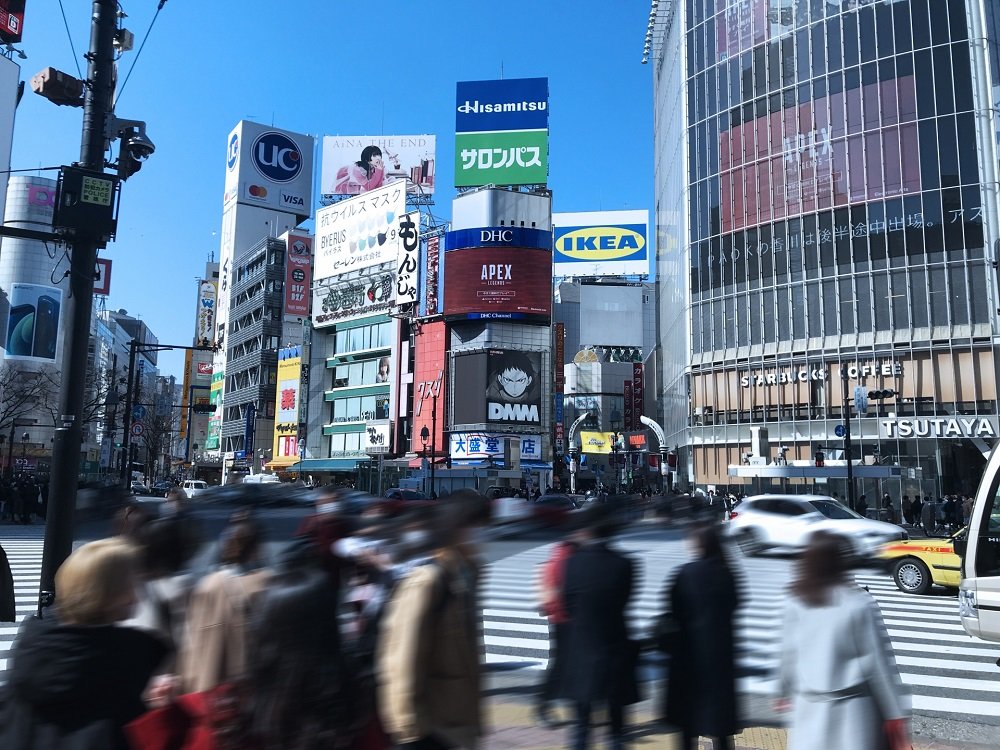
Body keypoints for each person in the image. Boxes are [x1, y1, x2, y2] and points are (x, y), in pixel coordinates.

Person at [0, 538, 170, 749]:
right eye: (133, 584)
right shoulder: (126, 662)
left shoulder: (33, 647)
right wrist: (161, 710)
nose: (136, 596)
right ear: (111, 594)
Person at [377, 491, 490, 750]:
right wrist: (407, 723)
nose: (482, 532)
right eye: (477, 525)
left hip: (454, 721)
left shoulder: (466, 573)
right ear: (458, 526)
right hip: (428, 727)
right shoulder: (428, 580)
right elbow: (402, 656)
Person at [777, 530, 910, 750]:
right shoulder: (858, 604)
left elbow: (787, 653)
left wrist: (782, 690)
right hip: (854, 711)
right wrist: (895, 712)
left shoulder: (796, 601)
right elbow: (878, 664)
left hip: (808, 708)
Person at [561, 504, 636, 750]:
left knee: (581, 728)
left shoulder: (572, 563)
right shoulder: (624, 564)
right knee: (616, 731)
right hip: (615, 649)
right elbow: (625, 600)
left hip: (581, 649)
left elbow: (568, 604)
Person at [662, 524, 740, 750]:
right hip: (719, 656)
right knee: (720, 725)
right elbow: (735, 605)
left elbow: (673, 611)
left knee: (688, 725)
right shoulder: (727, 573)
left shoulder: (685, 573)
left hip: (688, 655)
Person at [179, 514, 272, 693]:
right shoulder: (268, 583)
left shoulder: (207, 585)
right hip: (252, 686)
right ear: (256, 548)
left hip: (209, 686)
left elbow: (190, 641)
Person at [535, 529, 581, 728]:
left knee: (564, 665)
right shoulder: (567, 560)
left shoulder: (557, 557)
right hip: (566, 619)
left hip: (560, 619)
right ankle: (545, 705)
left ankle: (556, 704)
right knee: (563, 665)